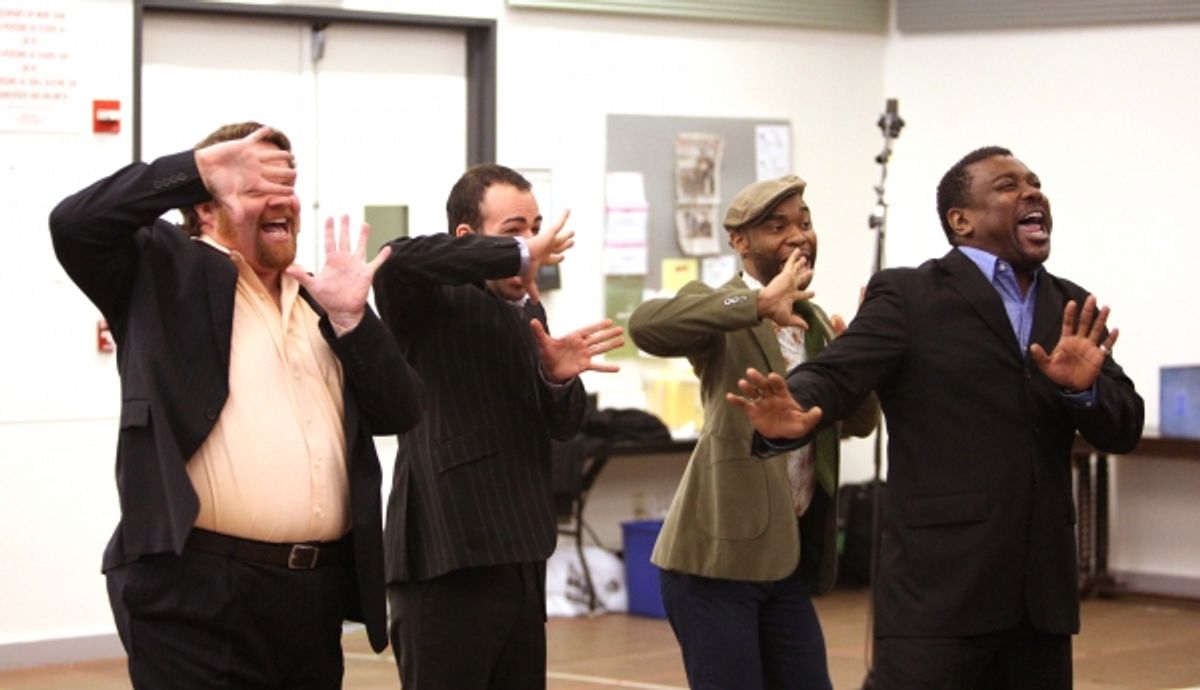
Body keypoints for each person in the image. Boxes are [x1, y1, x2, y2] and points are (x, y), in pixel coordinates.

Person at [730, 147, 1144, 689]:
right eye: (1008, 185)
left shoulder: (1071, 306)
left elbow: (1124, 425)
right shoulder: (909, 295)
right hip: (939, 595)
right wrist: (798, 408)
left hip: (1041, 601)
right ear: (961, 220)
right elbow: (837, 370)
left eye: (1035, 183)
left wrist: (1087, 393)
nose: (1031, 193)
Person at [48, 122, 423, 689]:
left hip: (312, 598)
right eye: (254, 186)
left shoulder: (320, 300)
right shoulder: (161, 272)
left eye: (286, 186)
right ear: (206, 207)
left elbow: (401, 411)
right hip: (197, 596)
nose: (281, 203)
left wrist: (354, 320)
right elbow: (74, 224)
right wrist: (194, 168)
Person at [372, 163, 625, 690]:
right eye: (515, 232)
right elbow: (396, 260)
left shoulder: (526, 305)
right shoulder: (428, 297)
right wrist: (516, 255)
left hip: (522, 557)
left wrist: (557, 380)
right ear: (468, 237)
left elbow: (563, 426)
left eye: (535, 230)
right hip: (447, 560)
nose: (534, 246)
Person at [628, 175, 878, 690]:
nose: (799, 235)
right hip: (714, 564)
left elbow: (859, 423)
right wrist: (758, 305)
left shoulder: (817, 325)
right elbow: (646, 326)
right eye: (777, 226)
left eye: (805, 222)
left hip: (783, 562)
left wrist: (859, 360)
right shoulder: (724, 308)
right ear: (740, 241)